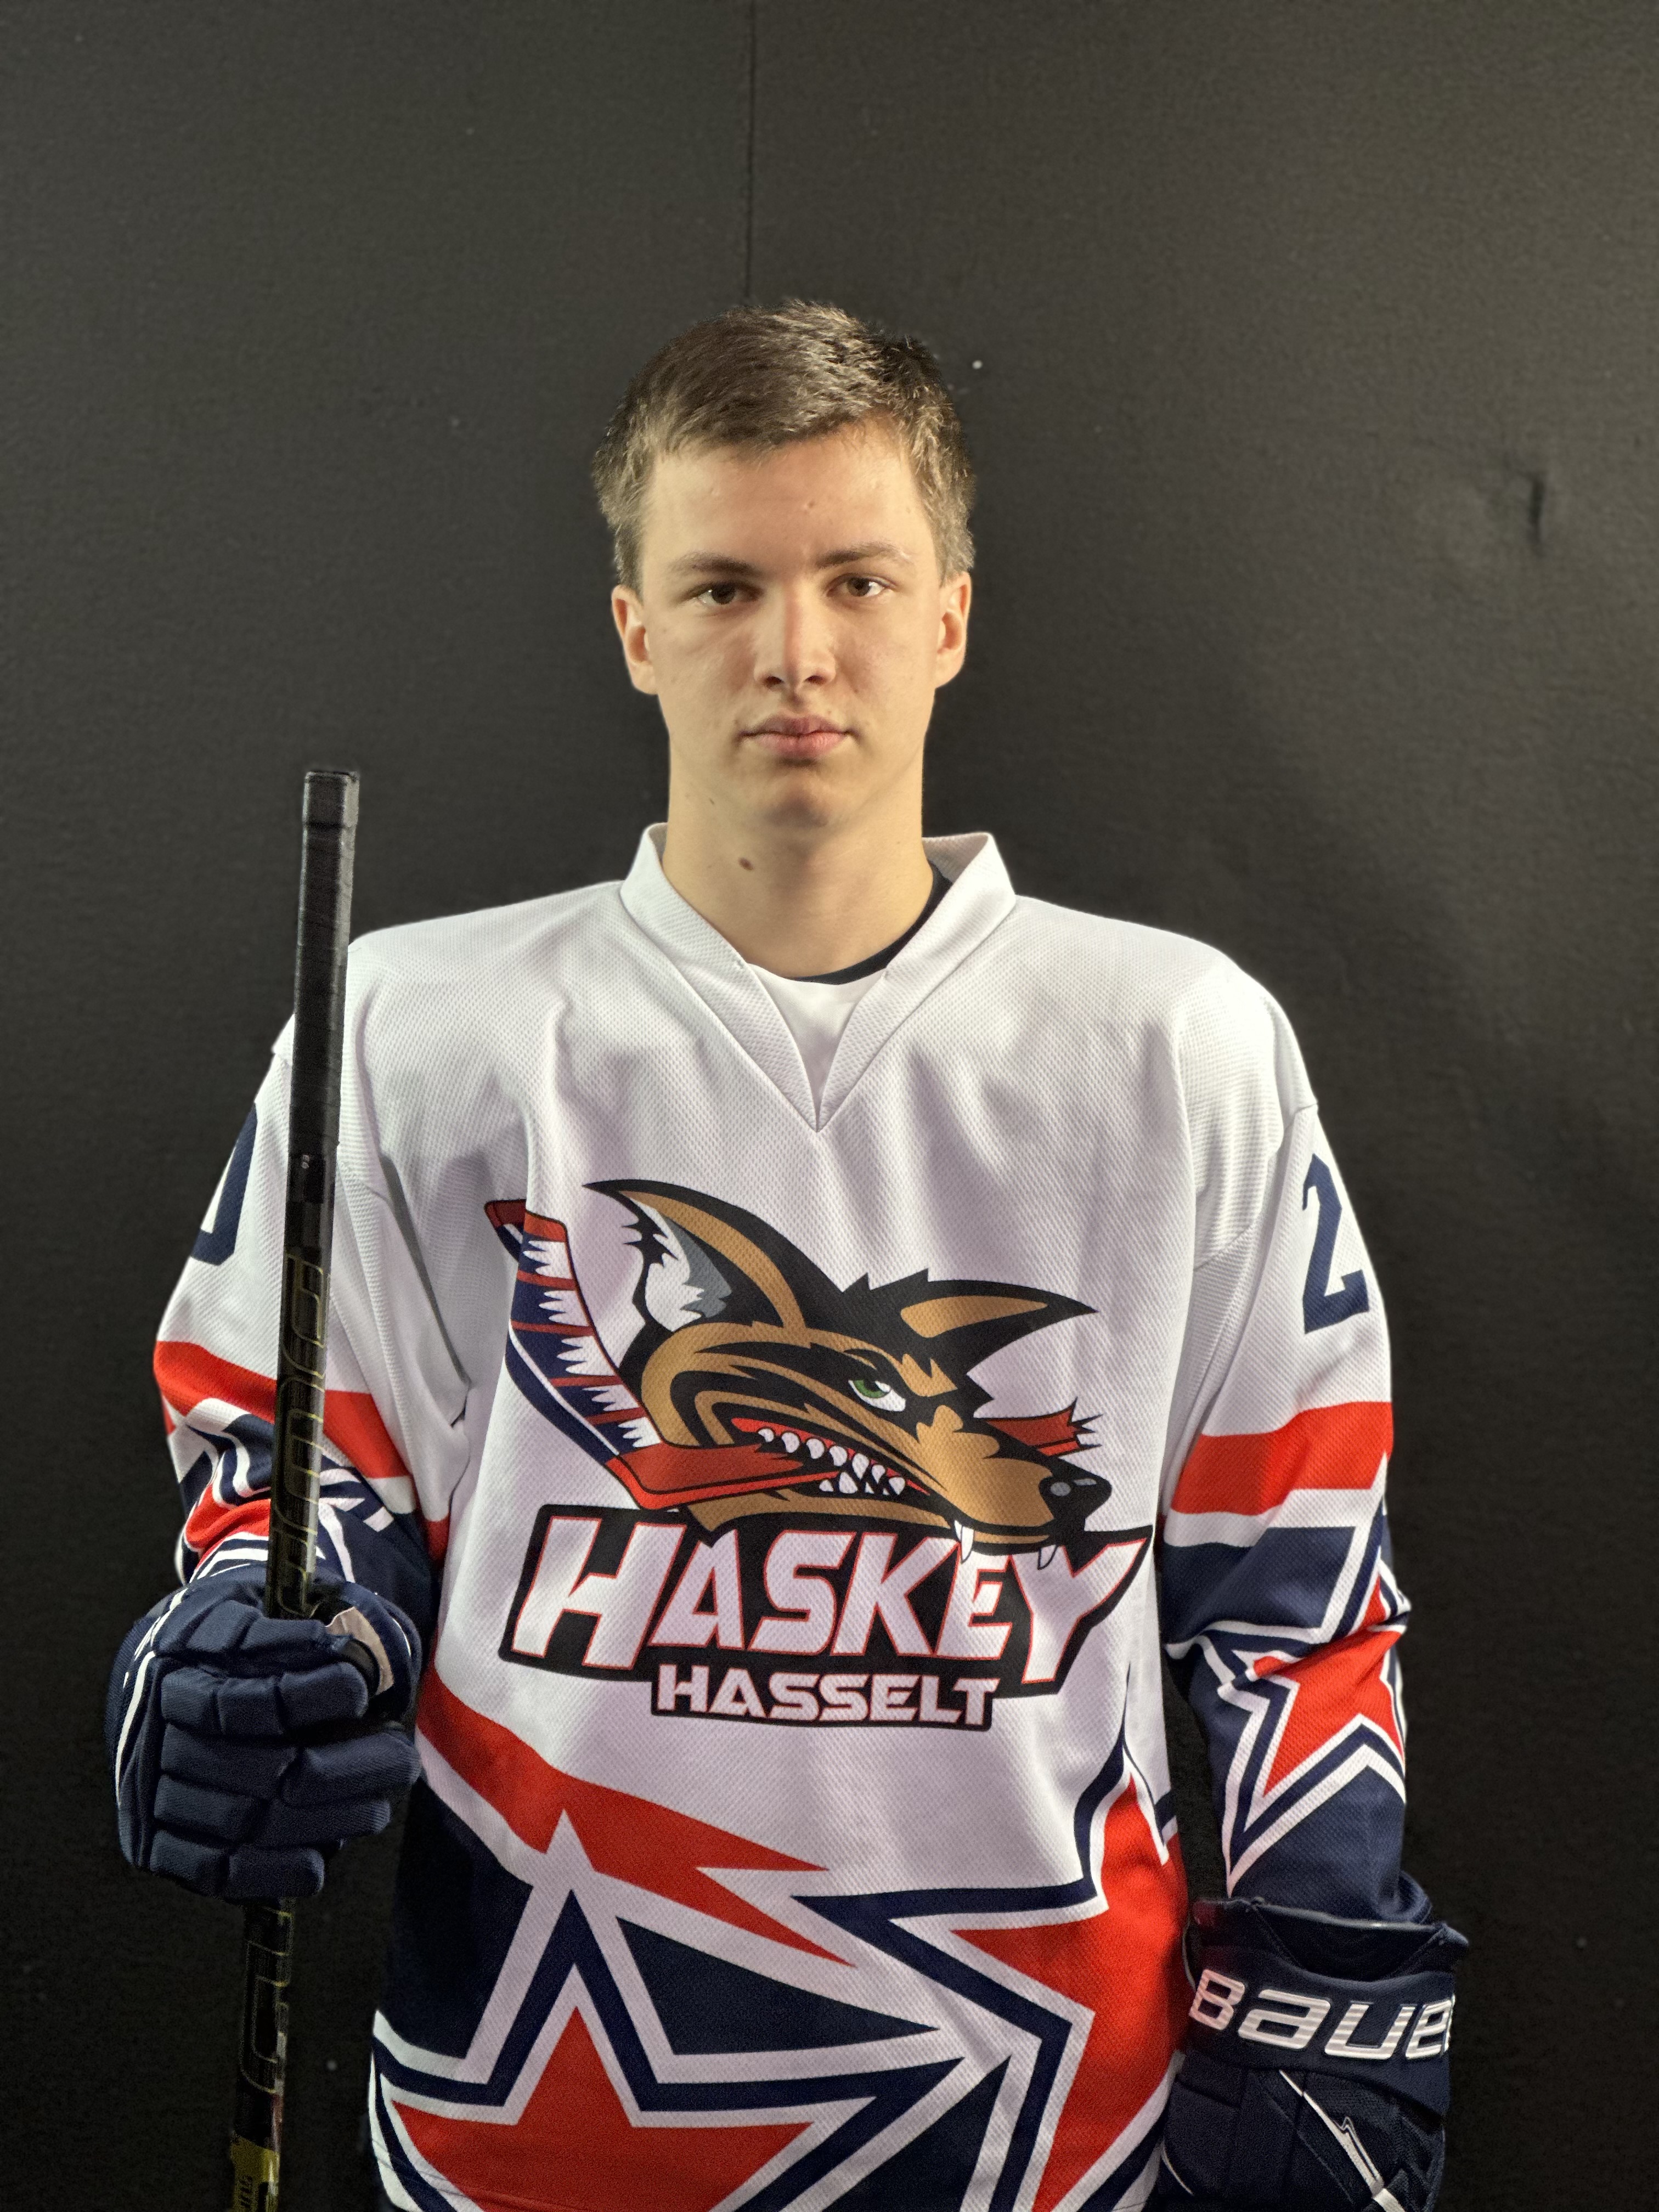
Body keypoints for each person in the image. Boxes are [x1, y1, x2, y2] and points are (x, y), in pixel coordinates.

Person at [109, 302, 1463, 2212]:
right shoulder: (420, 1029)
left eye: (858, 580)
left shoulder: (1180, 1048)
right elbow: (297, 1478)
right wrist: (268, 1663)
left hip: (1048, 2136)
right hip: (524, 2121)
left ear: (952, 617)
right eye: (725, 587)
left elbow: (1296, 1588)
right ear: (636, 629)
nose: (796, 650)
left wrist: (1323, 1987)